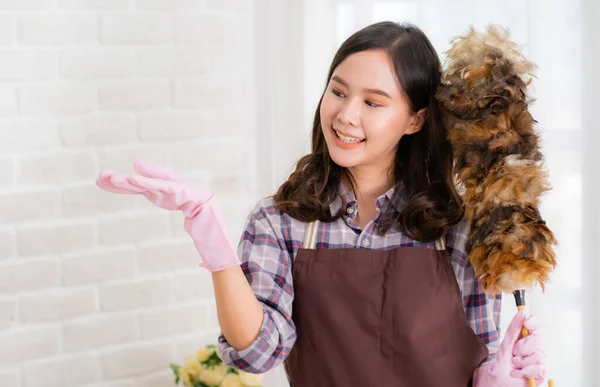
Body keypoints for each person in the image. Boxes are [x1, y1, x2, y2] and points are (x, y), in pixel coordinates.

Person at [96, 21, 547, 387]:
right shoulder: (281, 222)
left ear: (415, 119)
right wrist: (212, 242)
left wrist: (499, 376)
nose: (346, 115)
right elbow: (258, 353)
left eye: (373, 102)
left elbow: (481, 352)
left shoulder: (460, 228)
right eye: (338, 91)